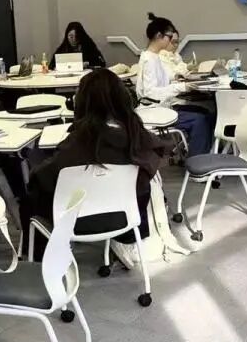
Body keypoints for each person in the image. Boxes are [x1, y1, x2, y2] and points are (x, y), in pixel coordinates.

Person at [26, 68, 167, 257]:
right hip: (126, 217)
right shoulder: (138, 136)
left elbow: (44, 178)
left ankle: (39, 257)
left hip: (77, 220)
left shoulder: (81, 141)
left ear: (83, 101)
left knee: (32, 194)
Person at [136, 13, 214, 155]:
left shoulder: (154, 57)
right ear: (159, 36)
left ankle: (202, 156)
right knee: (199, 120)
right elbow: (150, 93)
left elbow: (164, 78)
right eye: (170, 36)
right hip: (153, 111)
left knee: (206, 115)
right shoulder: (149, 60)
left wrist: (178, 77)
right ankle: (197, 162)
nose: (171, 41)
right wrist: (181, 87)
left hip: (161, 107)